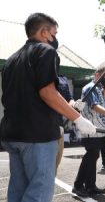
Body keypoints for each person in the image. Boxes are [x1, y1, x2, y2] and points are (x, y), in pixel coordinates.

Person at [0, 13, 96, 202]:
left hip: (12, 134)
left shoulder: (11, 60)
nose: (55, 38)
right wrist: (78, 119)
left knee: (18, 190)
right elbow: (47, 92)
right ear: (44, 32)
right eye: (54, 33)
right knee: (39, 193)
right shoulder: (45, 51)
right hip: (37, 136)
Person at [73, 67, 105, 197]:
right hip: (90, 129)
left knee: (94, 156)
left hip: (100, 130)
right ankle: (78, 185)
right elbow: (94, 106)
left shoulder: (100, 89)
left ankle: (90, 186)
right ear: (97, 75)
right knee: (91, 155)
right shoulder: (90, 87)